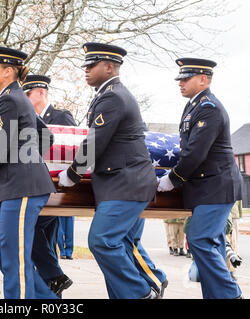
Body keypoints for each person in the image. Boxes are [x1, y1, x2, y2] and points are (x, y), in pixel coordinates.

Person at [57, 42, 164, 299]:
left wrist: (72, 174)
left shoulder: (113, 96)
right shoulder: (108, 95)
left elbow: (95, 140)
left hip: (125, 183)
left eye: (91, 65)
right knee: (117, 245)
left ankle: (141, 293)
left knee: (101, 241)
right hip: (119, 182)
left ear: (109, 67)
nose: (86, 70)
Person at [157, 58, 243, 299]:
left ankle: (230, 295)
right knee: (209, 244)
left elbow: (195, 151)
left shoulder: (208, 108)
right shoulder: (194, 106)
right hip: (207, 188)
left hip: (216, 186)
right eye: (180, 79)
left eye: (186, 78)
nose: (180, 83)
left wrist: (173, 178)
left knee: (199, 238)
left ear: (203, 79)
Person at [0, 45, 57, 299]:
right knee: (3, 254)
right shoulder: (14, 98)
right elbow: (46, 136)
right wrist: (28, 154)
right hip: (13, 185)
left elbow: (1, 144)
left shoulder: (11, 99)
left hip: (22, 186)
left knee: (14, 256)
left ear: (9, 71)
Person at [22, 74, 74, 296]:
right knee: (39, 241)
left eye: (28, 94)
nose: (24, 98)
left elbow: (71, 145)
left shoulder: (61, 116)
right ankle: (53, 286)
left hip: (57, 188)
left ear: (41, 92)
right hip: (35, 187)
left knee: (35, 234)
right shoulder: (24, 118)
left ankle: (54, 281)